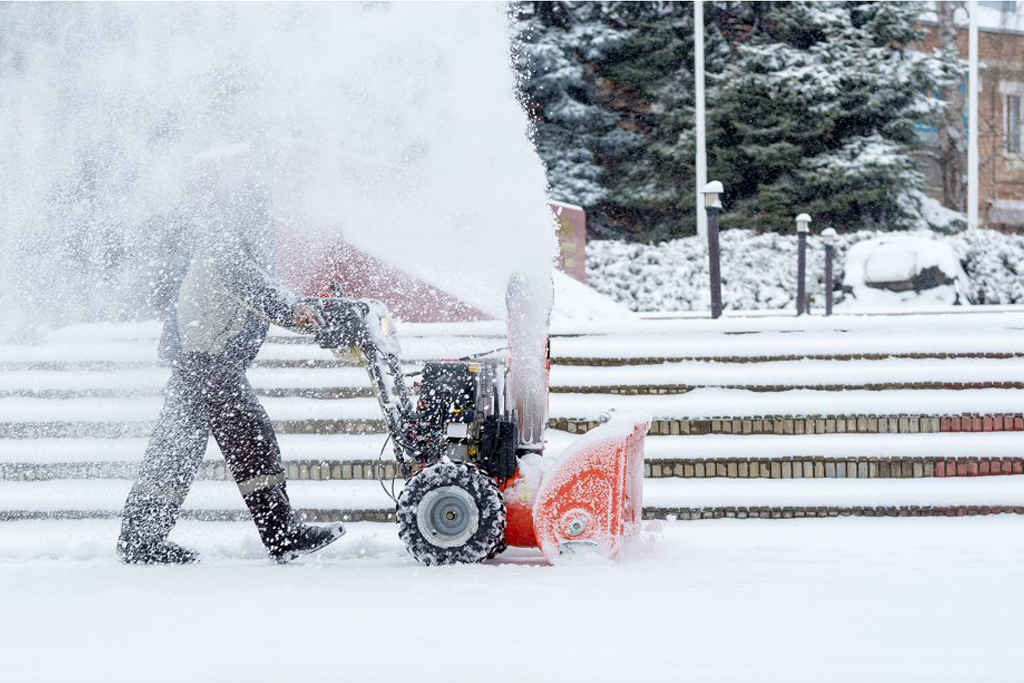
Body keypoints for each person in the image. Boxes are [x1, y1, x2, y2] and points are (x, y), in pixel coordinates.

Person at [117, 177, 343, 564]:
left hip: (197, 357)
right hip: (209, 360)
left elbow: (256, 286)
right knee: (252, 440)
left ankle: (140, 537)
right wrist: (293, 312)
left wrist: (304, 306)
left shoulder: (222, 241)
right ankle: (282, 534)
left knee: (176, 448)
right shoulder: (225, 244)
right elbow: (250, 284)